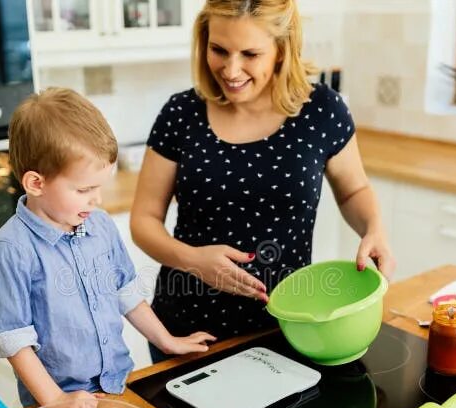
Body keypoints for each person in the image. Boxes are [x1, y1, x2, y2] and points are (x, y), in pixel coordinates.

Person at [130, 0, 395, 363]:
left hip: (293, 324)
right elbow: (143, 219)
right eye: (218, 50)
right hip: (188, 331)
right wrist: (193, 260)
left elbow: (354, 190)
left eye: (250, 54)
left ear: (282, 50)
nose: (231, 69)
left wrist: (374, 228)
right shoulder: (181, 114)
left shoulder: (321, 110)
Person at [0, 87, 215, 408]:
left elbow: (125, 292)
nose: (97, 200)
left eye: (100, 187)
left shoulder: (100, 225)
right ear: (36, 183)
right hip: (58, 406)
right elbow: (15, 341)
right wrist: (57, 400)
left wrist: (167, 341)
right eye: (84, 189)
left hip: (119, 388)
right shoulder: (12, 249)